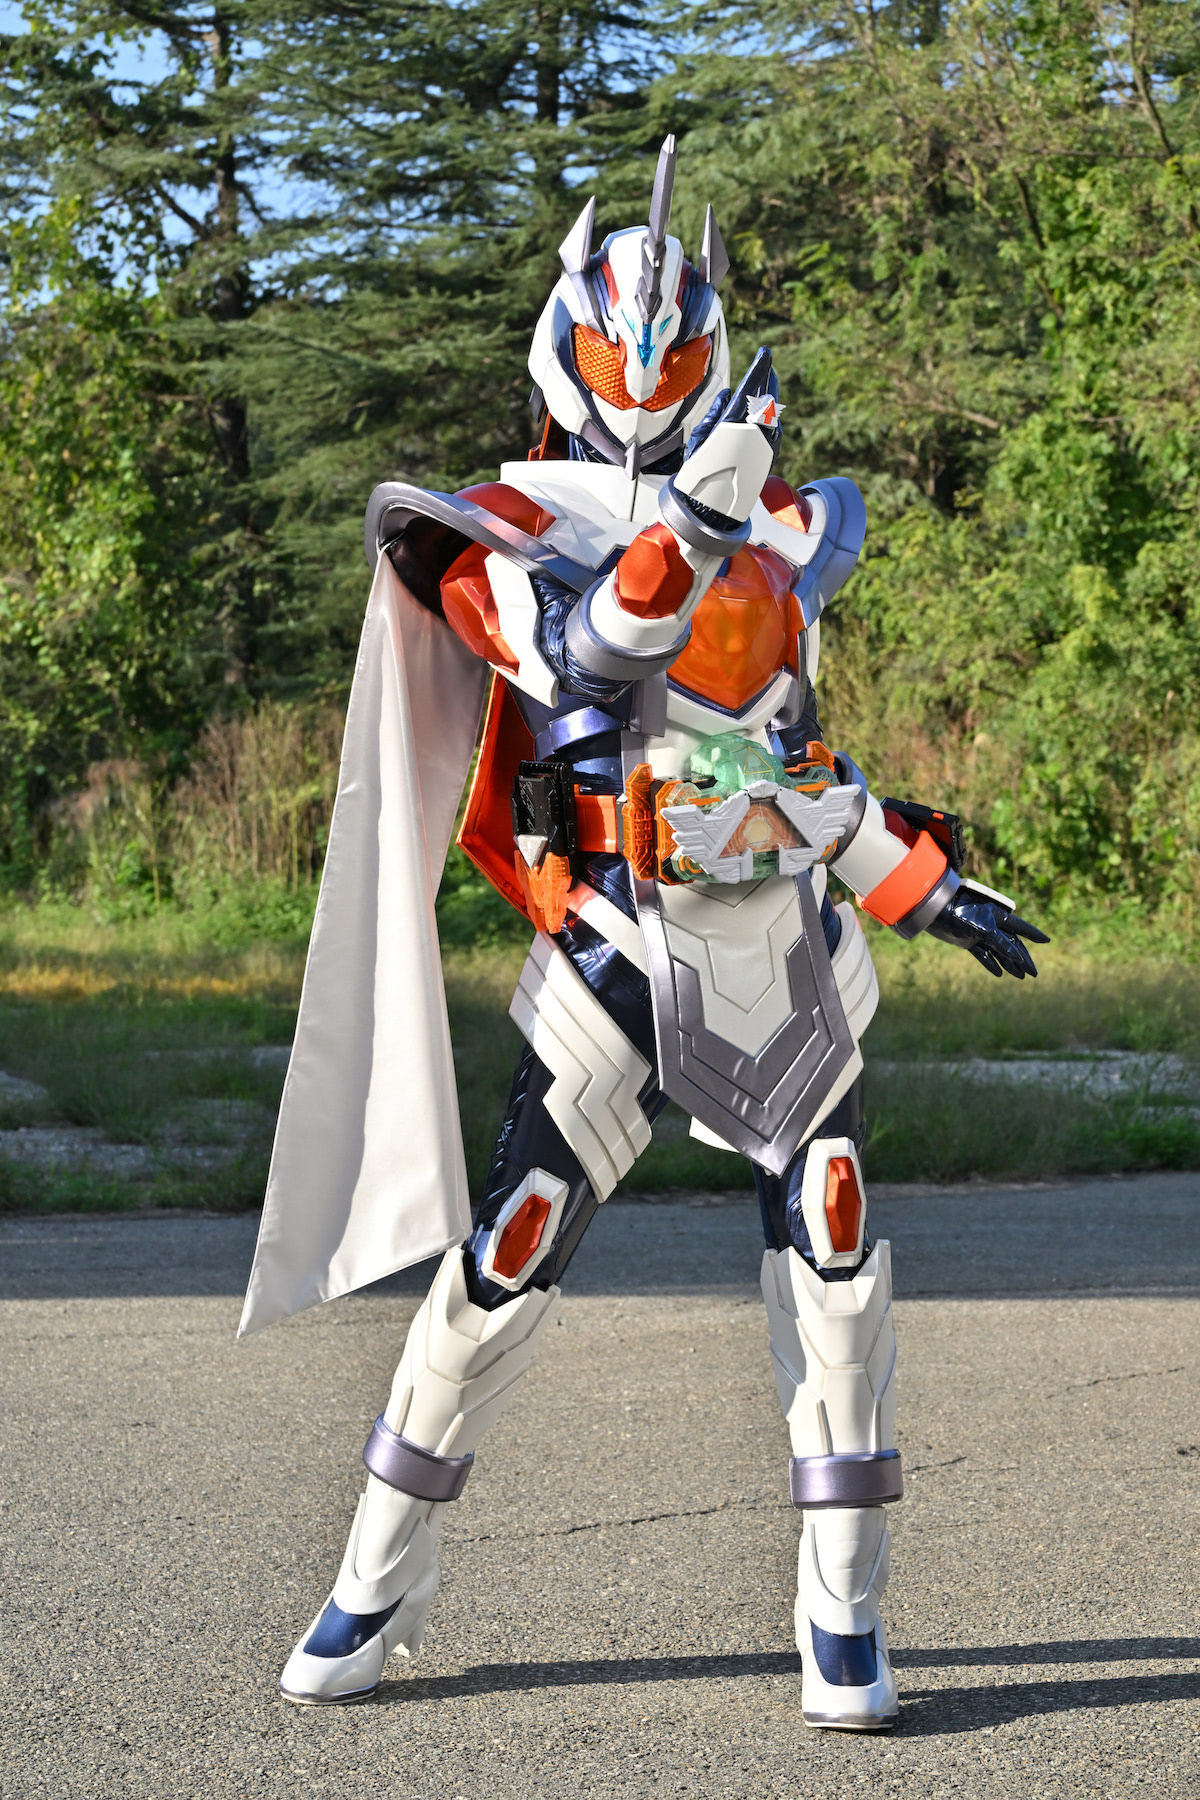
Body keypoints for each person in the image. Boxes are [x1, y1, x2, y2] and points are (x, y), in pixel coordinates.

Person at [239, 137, 1047, 1728]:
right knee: (508, 1256)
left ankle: (842, 1616)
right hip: (613, 940)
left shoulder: (790, 525)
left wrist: (917, 879)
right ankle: (372, 1582)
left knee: (836, 1260)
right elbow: (584, 659)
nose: (642, 382)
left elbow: (785, 760)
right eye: (623, 355)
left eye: (670, 357)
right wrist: (679, 531)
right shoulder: (500, 526)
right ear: (571, 345)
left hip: (781, 933)